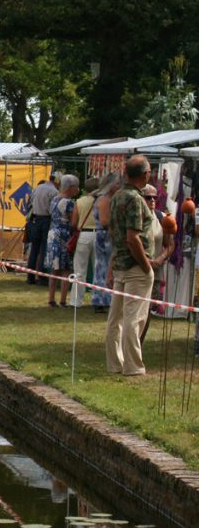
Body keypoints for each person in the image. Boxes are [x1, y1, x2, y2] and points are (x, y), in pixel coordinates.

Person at [105, 155, 155, 377]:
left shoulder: (117, 196)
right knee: (133, 319)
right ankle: (132, 367)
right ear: (144, 174)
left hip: (120, 265)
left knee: (116, 318)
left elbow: (114, 233)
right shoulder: (134, 199)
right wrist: (146, 266)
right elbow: (132, 238)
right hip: (135, 266)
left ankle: (115, 363)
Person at [139, 184, 176, 345]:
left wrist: (161, 258)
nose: (153, 200)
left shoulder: (161, 217)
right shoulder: (135, 217)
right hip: (136, 269)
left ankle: (138, 344)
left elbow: (170, 244)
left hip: (155, 271)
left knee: (147, 311)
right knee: (133, 310)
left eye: (155, 197)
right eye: (148, 197)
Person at [44, 174, 80, 307]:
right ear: (71, 187)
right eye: (76, 187)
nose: (77, 190)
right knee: (65, 268)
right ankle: (63, 299)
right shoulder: (69, 202)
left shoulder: (54, 199)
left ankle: (51, 298)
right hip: (64, 235)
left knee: (54, 268)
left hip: (52, 233)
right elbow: (73, 222)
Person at [92, 172, 123, 312]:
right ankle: (102, 299)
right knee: (104, 267)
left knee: (104, 267)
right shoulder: (105, 200)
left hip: (105, 236)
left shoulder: (106, 198)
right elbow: (105, 221)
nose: (119, 186)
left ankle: (104, 298)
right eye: (116, 184)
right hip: (105, 237)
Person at [68, 177, 100, 308]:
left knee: (79, 270)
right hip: (99, 234)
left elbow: (74, 223)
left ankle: (75, 301)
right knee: (98, 269)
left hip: (84, 234)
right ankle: (98, 300)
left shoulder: (79, 201)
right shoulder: (102, 201)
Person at [26, 173, 59, 284]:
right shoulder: (54, 192)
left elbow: (30, 203)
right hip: (46, 220)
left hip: (35, 219)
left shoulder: (37, 188)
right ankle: (42, 276)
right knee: (45, 249)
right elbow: (53, 210)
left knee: (34, 249)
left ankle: (30, 276)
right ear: (57, 181)